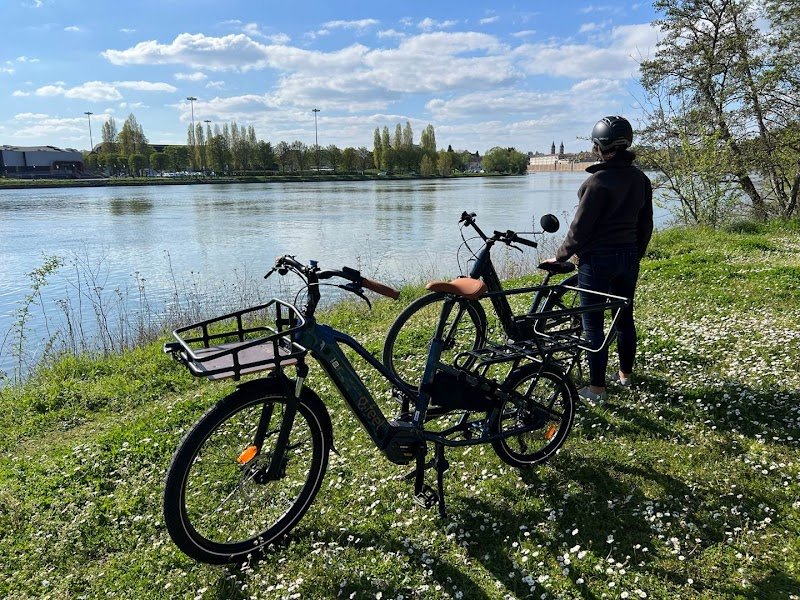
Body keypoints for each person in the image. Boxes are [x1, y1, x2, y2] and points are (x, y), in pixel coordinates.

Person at [547, 115, 653, 404]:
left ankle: (596, 389)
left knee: (592, 324)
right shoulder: (641, 179)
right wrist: (635, 253)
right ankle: (625, 376)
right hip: (629, 257)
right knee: (624, 318)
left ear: (598, 147)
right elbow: (646, 225)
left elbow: (580, 229)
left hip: (597, 261)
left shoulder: (596, 183)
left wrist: (560, 257)